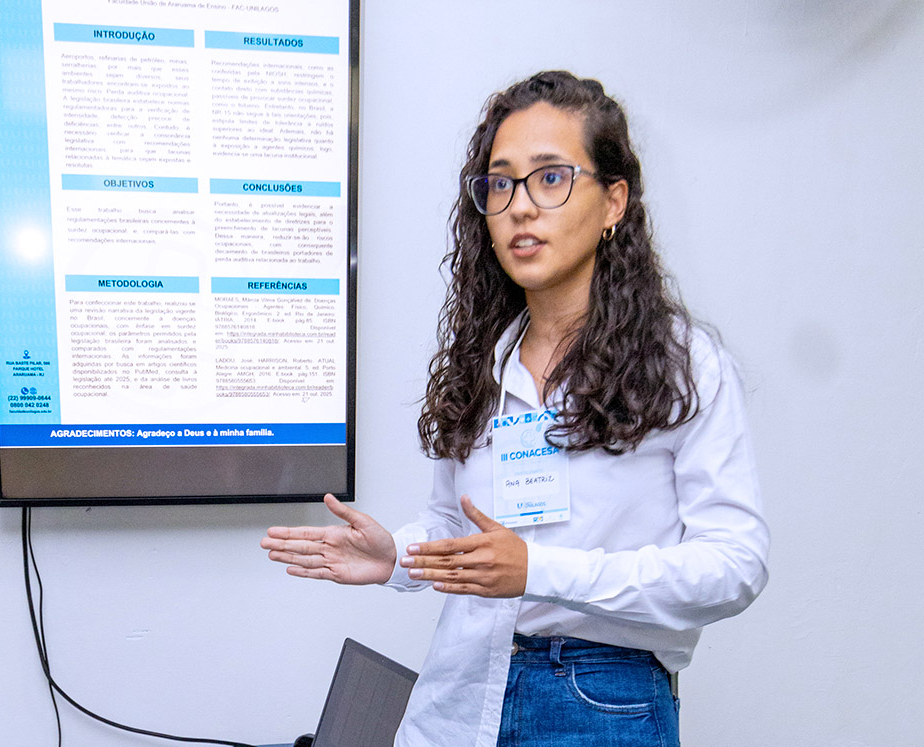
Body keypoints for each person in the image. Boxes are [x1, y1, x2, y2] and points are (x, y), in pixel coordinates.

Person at [261, 70, 769, 747]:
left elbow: (735, 564)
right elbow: (455, 525)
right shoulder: (485, 361)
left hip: (599, 699)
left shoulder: (683, 364)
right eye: (500, 185)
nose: (521, 207)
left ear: (614, 201)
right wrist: (397, 556)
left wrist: (540, 571)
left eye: (550, 178)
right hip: (461, 691)